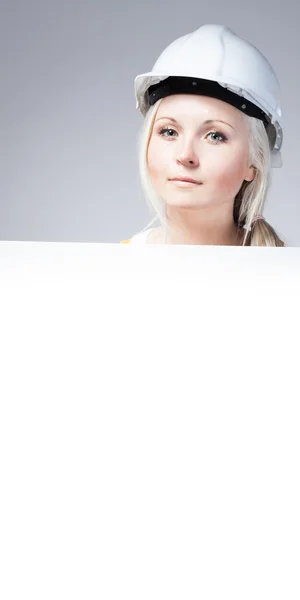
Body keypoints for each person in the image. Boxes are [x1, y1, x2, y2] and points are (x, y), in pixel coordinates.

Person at [121, 24, 285, 246]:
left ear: (253, 163)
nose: (185, 155)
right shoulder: (118, 266)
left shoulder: (285, 272)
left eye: (215, 136)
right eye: (169, 131)